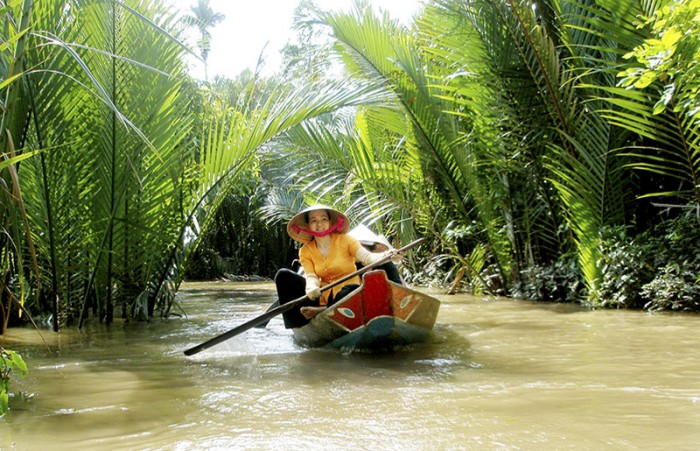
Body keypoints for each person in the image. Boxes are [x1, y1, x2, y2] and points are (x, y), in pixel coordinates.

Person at [274, 205, 398, 329]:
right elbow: (311, 275)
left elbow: (367, 257)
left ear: (330, 222)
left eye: (324, 219)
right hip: (323, 295)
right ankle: (299, 326)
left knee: (350, 289)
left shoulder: (347, 240)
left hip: (349, 295)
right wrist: (311, 287)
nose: (319, 224)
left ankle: (322, 310)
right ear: (308, 225)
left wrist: (385, 255)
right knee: (283, 275)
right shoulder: (305, 251)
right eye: (314, 221)